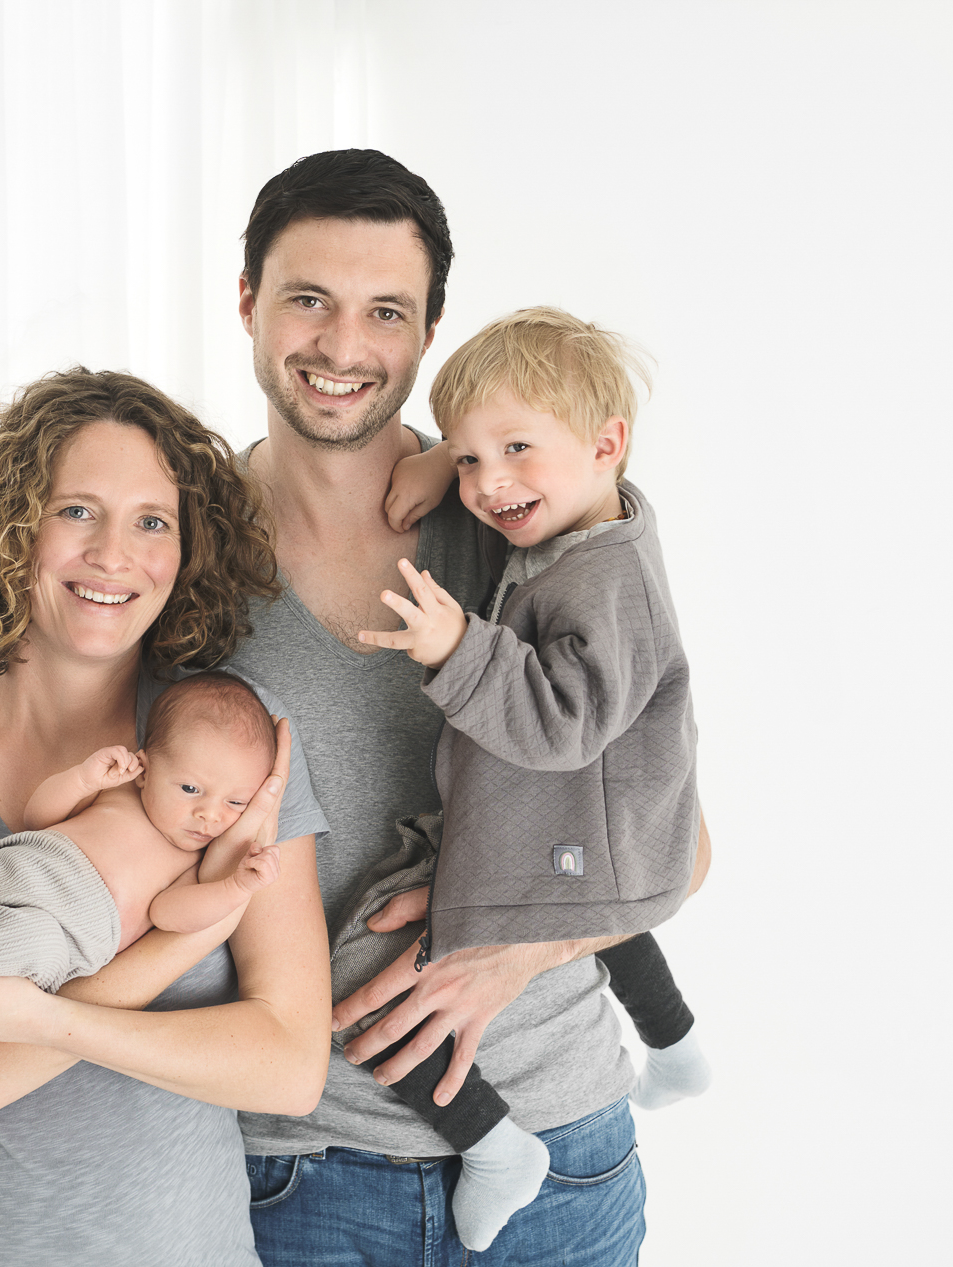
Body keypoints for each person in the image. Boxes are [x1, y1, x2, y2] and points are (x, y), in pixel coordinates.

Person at [0, 149, 712, 1264]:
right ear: (246, 302)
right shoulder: (180, 558)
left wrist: (513, 951)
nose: (342, 346)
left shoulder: (515, 523)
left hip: (557, 1138)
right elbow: (58, 698)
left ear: (429, 331)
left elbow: (677, 841)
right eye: (307, 300)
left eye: (386, 311)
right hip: (298, 1170)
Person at [0, 368, 333, 1265]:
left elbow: (289, 1065)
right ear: (13, 525)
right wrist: (192, 933)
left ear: (186, 550)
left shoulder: (231, 745)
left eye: (152, 521)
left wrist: (49, 1019)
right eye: (77, 510)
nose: (113, 554)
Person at [343, 305, 712, 1249]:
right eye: (472, 458)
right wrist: (443, 462)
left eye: (514, 450)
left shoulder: (604, 580)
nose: (489, 483)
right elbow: (525, 458)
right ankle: (674, 1042)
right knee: (603, 905)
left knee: (356, 960)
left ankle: (490, 1140)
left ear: (607, 445)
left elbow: (561, 723)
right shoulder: (592, 516)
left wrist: (458, 647)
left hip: (596, 822)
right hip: (605, 834)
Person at [0, 672, 285, 997]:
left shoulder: (191, 861)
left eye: (236, 803)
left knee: (32, 946)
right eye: (191, 788)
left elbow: (170, 914)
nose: (209, 815)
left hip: (66, 930)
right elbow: (37, 818)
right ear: (146, 769)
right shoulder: (120, 789)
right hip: (9, 869)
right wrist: (83, 780)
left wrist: (234, 888)